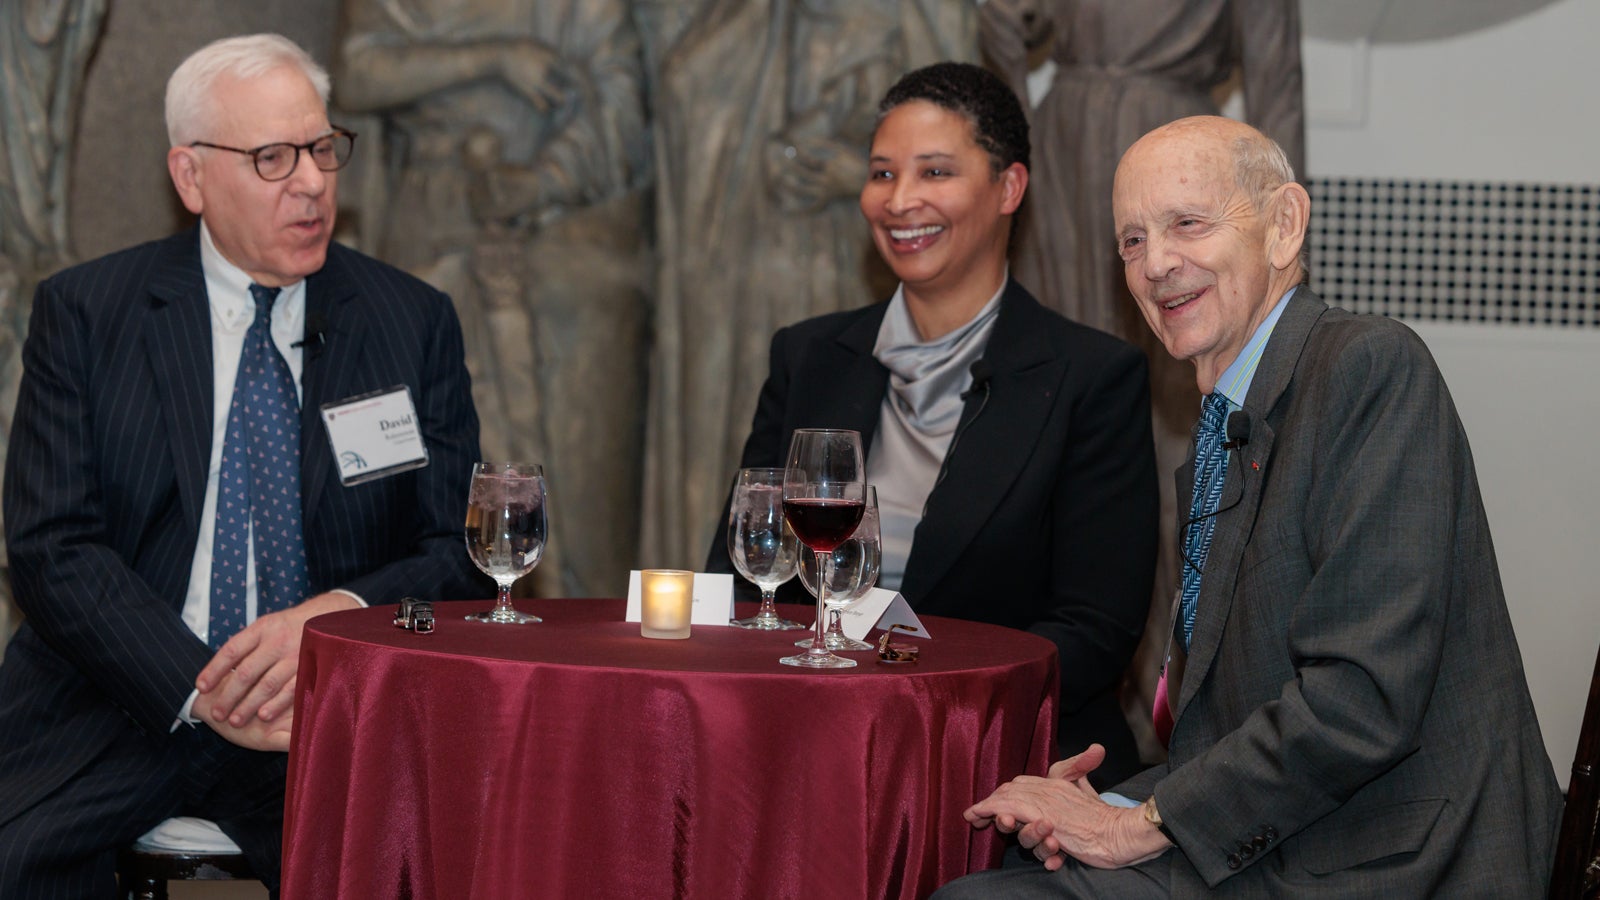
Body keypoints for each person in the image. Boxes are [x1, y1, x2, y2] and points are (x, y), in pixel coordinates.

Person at [934, 116, 1562, 898]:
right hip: (1293, 832)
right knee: (992, 851)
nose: (1157, 263)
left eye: (1187, 223)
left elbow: (1359, 703)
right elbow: (1234, 715)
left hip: (1389, 854)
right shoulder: (1223, 426)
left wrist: (1140, 822)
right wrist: (1121, 799)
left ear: (1284, 226)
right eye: (1131, 241)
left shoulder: (1367, 367)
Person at [0, 34, 487, 896]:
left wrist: (335, 622)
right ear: (190, 177)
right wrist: (204, 687)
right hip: (119, 698)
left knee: (435, 866)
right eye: (272, 158)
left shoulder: (411, 322)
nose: (310, 182)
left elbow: (457, 563)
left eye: (322, 148)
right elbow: (51, 548)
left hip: (330, 714)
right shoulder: (89, 313)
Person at [707, 61, 1159, 787]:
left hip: (998, 761)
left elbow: (1091, 634)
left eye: (935, 172)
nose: (900, 200)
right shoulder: (811, 357)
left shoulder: (1090, 377)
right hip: (803, 740)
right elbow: (742, 574)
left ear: (1009, 187)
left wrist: (915, 702)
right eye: (882, 174)